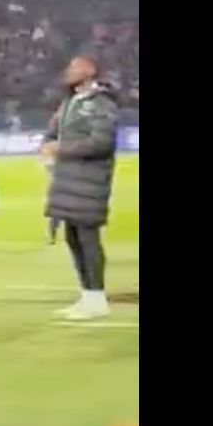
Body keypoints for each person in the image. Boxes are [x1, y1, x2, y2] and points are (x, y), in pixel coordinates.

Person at [47, 57, 119, 320]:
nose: (69, 72)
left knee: (88, 239)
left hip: (89, 181)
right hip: (68, 181)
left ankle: (97, 299)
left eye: (76, 68)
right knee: (73, 239)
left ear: (91, 71)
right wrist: (47, 145)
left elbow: (101, 143)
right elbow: (53, 133)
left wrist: (61, 149)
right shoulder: (69, 102)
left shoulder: (102, 104)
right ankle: (87, 296)